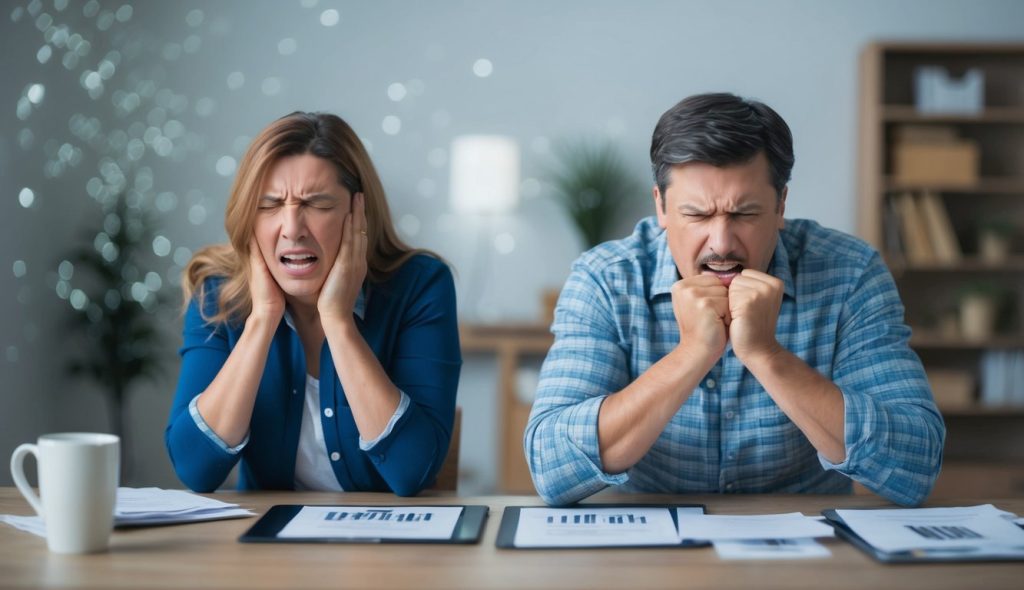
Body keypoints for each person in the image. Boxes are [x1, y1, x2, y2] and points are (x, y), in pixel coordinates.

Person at [525, 93, 944, 507]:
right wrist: (691, 354)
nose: (722, 244)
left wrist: (766, 353)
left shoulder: (850, 274)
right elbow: (551, 468)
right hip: (649, 552)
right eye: (697, 215)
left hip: (808, 555)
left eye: (744, 214)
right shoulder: (605, 279)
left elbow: (915, 467)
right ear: (661, 207)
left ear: (781, 205)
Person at [166, 112, 460, 495]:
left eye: (316, 203)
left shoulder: (421, 285)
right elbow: (194, 469)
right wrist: (262, 320)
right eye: (269, 205)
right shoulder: (218, 294)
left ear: (359, 213)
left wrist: (338, 322)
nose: (291, 228)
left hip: (388, 546)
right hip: (265, 548)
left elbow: (411, 472)